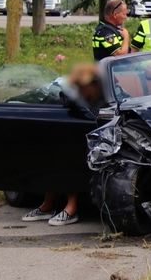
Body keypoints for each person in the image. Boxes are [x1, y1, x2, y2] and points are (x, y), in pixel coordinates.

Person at [21, 64, 104, 226]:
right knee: (58, 150)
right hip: (80, 138)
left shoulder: (108, 94)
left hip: (100, 143)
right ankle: (48, 205)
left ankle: (71, 208)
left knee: (72, 155)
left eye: (82, 86)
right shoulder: (74, 97)